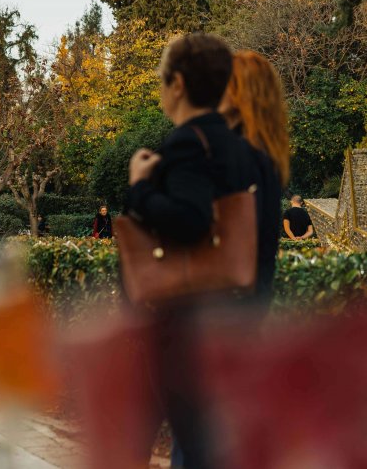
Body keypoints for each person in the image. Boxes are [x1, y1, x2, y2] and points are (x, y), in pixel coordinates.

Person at [125, 33, 269, 469]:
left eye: (161, 79)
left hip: (186, 324)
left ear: (180, 85)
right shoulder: (246, 151)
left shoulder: (188, 143)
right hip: (235, 313)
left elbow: (189, 220)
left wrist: (140, 188)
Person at [220, 49, 290, 303]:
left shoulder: (242, 153)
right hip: (251, 296)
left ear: (242, 93)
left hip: (230, 305)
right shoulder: (264, 151)